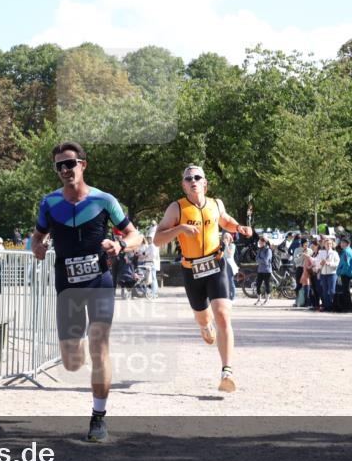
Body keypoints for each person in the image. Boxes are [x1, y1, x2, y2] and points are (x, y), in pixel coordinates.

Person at [31, 141, 141, 443]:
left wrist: (120, 245)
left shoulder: (105, 200)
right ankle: (75, 348)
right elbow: (37, 235)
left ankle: (98, 417)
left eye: (70, 163)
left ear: (83, 165)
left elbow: (136, 234)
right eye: (59, 166)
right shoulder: (49, 203)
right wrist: (37, 247)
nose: (65, 170)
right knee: (72, 360)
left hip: (99, 282)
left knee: (100, 348)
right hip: (67, 287)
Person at [153, 164, 253, 392]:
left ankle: (227, 371)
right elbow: (157, 240)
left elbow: (225, 220)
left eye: (197, 177)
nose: (193, 181)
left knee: (223, 315)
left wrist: (239, 227)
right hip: (192, 270)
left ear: (205, 183)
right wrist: (180, 230)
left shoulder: (216, 204)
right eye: (188, 178)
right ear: (184, 185)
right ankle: (204, 325)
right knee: (203, 319)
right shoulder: (176, 208)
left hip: (216, 264)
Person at [312, 237, 340, 311]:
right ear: (324, 244)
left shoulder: (335, 253)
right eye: (326, 243)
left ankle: (333, 305)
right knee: (325, 291)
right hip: (323, 274)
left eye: (330, 243)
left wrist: (329, 263)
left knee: (331, 291)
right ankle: (327, 307)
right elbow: (317, 262)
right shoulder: (321, 252)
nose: (328, 245)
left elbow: (337, 264)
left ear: (332, 245)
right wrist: (320, 264)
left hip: (332, 274)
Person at [335, 235, 352, 311]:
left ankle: (349, 307)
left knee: (346, 291)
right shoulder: (346, 251)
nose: (342, 244)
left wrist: (340, 273)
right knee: (345, 290)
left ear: (347, 244)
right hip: (346, 273)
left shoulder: (346, 252)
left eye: (344, 243)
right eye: (341, 243)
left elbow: (346, 264)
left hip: (346, 274)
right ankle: (348, 306)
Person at [254, 236, 272, 305]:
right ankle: (259, 299)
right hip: (260, 270)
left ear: (264, 242)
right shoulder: (260, 250)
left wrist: (259, 260)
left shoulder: (268, 250)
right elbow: (256, 259)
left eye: (261, 242)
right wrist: (260, 260)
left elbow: (266, 261)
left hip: (267, 270)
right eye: (259, 242)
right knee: (258, 285)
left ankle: (267, 300)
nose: (260, 243)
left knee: (267, 285)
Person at [221, 232, 238, 302]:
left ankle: (233, 297)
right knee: (225, 281)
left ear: (230, 238)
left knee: (231, 281)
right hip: (224, 264)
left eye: (226, 237)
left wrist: (227, 245)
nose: (225, 239)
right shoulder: (224, 246)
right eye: (224, 237)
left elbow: (230, 254)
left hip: (230, 264)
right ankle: (227, 296)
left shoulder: (232, 245)